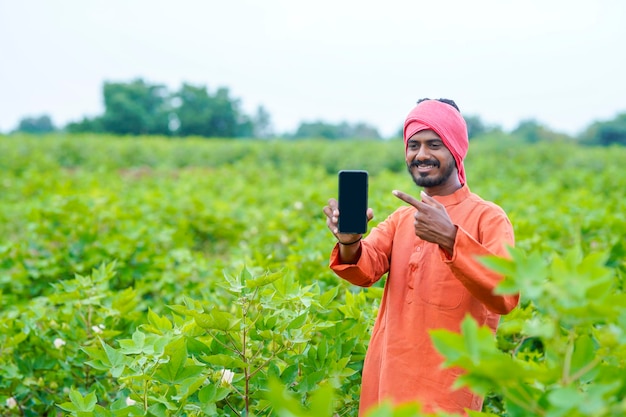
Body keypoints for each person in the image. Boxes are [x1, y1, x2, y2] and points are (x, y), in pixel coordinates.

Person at [322, 98, 520, 416]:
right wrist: (349, 242)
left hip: (448, 395)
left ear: (455, 149)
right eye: (413, 144)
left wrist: (451, 239)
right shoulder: (403, 219)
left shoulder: (489, 218)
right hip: (385, 389)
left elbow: (506, 297)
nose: (421, 155)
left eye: (434, 144)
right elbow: (362, 268)